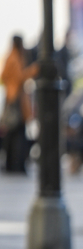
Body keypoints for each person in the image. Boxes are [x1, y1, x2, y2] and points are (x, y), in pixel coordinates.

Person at [1, 35, 38, 174]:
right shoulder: (14, 57)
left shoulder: (13, 56)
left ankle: (14, 164)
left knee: (14, 132)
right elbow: (17, 77)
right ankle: (15, 164)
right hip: (15, 98)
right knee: (16, 132)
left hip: (14, 97)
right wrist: (33, 70)